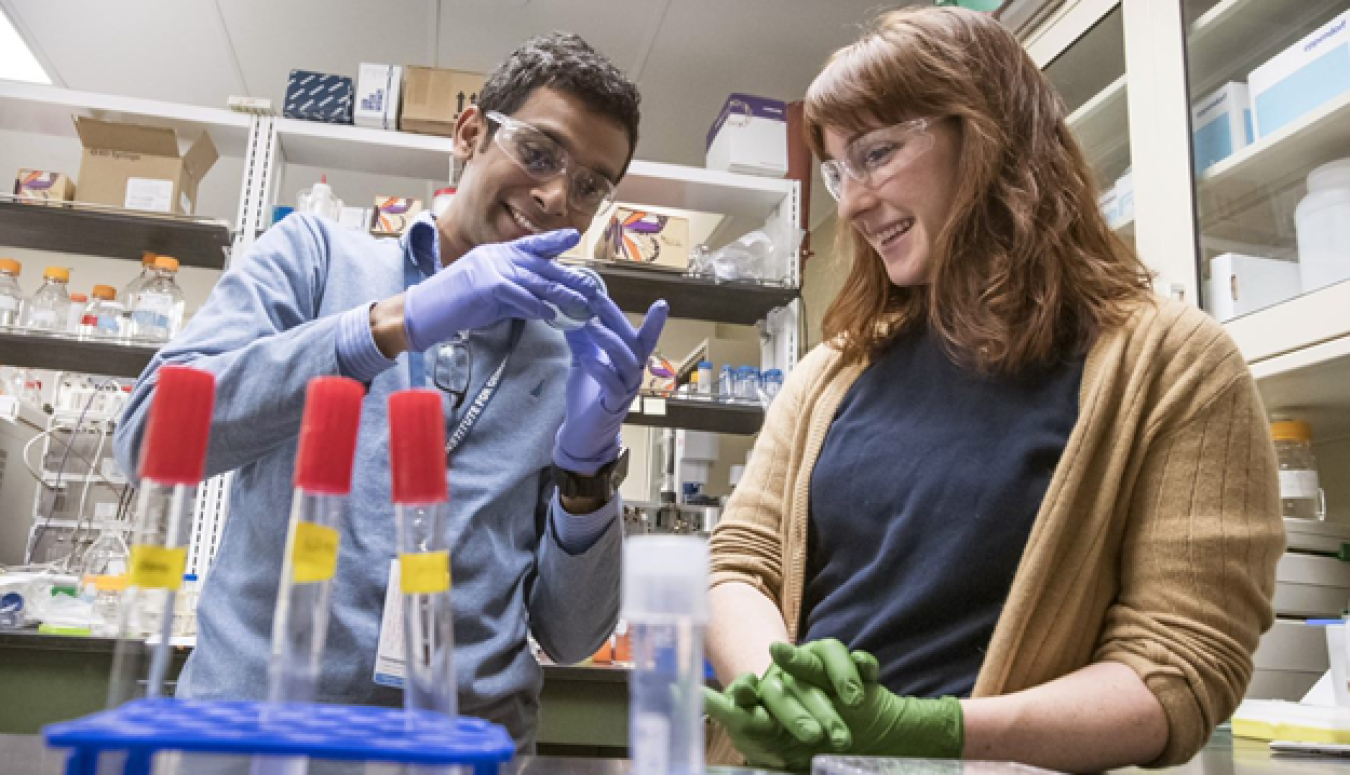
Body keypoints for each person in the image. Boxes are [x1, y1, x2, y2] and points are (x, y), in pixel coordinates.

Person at [702, 7, 1283, 772]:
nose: (849, 203)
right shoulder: (829, 375)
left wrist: (937, 729)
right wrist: (776, 685)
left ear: (986, 135)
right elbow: (741, 564)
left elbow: (1178, 668)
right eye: (840, 171)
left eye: (875, 154)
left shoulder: (1176, 365)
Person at [113, 32, 667, 751]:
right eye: (538, 153)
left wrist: (589, 471)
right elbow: (150, 437)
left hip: (461, 754)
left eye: (592, 184)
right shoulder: (313, 259)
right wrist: (383, 327)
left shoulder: (565, 355)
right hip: (254, 744)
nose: (558, 195)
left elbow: (570, 634)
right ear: (470, 134)